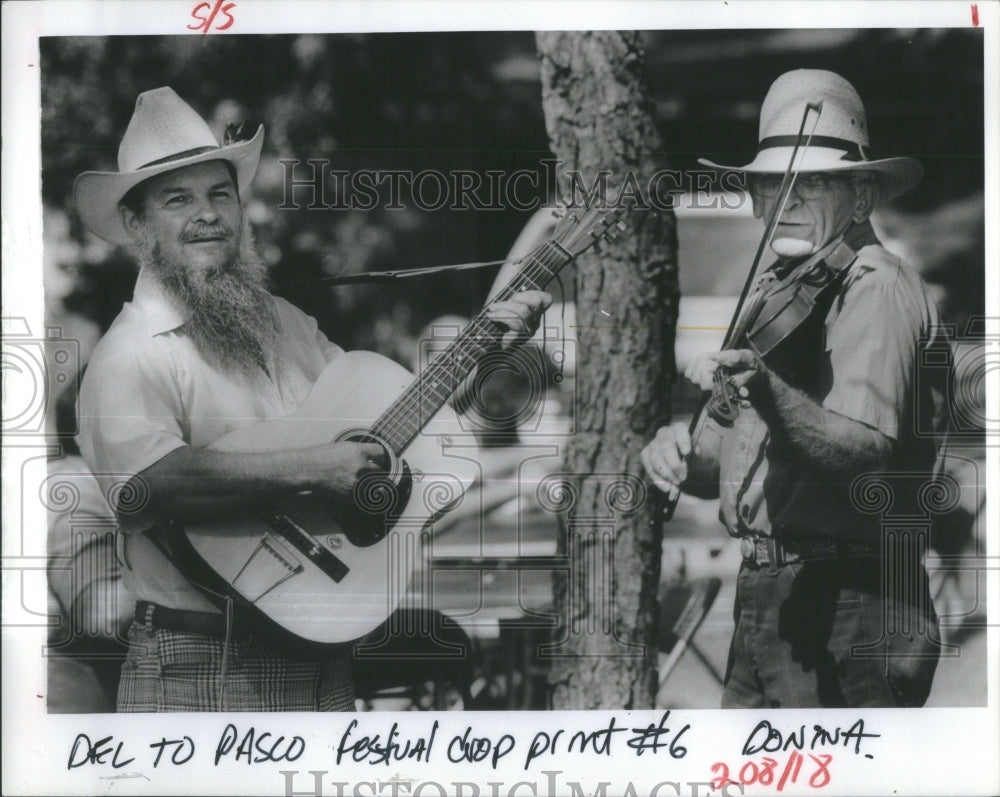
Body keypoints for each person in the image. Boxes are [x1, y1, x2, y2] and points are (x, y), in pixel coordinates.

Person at [74, 87, 550, 712]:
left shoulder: (287, 324)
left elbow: (388, 428)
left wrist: (487, 347)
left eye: (220, 193)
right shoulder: (129, 355)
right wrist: (314, 467)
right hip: (199, 669)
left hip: (321, 654)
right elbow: (147, 484)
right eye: (178, 199)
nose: (208, 214)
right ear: (137, 225)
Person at [641, 70, 948, 708]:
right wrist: (676, 453)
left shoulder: (874, 286)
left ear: (862, 196)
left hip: (853, 599)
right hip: (770, 595)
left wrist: (768, 395)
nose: (784, 202)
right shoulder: (779, 290)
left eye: (808, 184)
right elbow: (729, 466)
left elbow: (865, 448)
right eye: (768, 184)